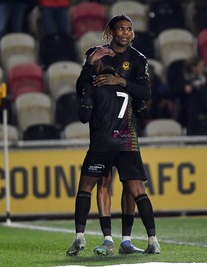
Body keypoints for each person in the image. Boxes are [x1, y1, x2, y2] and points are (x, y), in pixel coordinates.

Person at [66, 14, 160, 257]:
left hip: (122, 131)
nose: (126, 33)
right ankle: (112, 239)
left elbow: (145, 92)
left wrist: (120, 80)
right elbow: (81, 88)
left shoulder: (138, 59)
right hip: (114, 132)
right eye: (121, 29)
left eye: (129, 29)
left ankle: (123, 240)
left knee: (126, 188)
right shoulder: (97, 52)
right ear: (111, 31)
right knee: (109, 184)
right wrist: (89, 64)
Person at [173, 56, 207, 135]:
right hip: (189, 109)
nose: (203, 68)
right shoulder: (184, 78)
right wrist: (185, 88)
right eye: (200, 66)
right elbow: (176, 92)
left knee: (203, 91)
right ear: (193, 68)